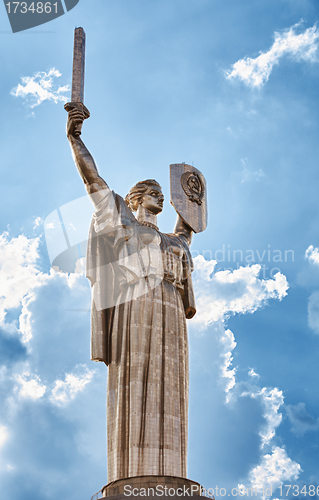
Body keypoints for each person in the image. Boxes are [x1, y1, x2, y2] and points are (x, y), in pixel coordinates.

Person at [66, 109, 196, 482]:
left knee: (170, 385)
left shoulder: (174, 240)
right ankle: (133, 475)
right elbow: (93, 180)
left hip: (170, 308)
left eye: (161, 193)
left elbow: (191, 221)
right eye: (152, 192)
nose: (159, 196)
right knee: (135, 377)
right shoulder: (121, 220)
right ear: (135, 199)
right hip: (135, 303)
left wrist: (188, 199)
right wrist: (75, 138)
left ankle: (171, 476)